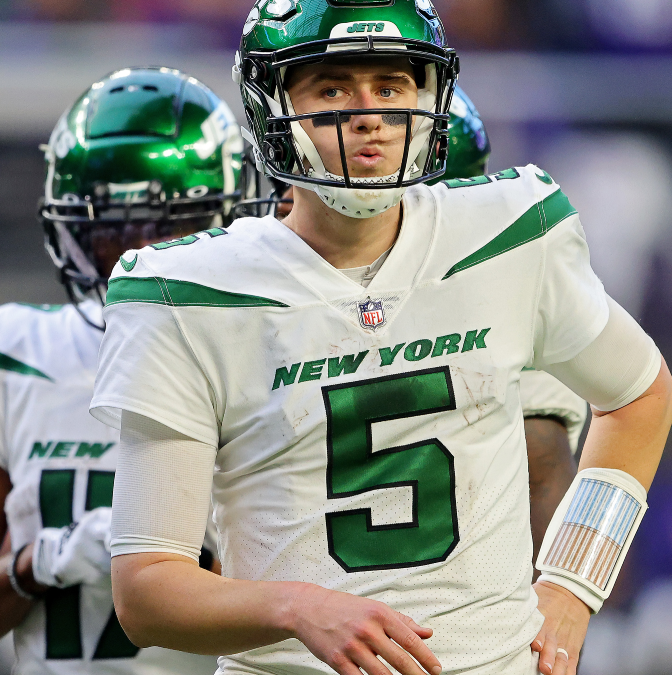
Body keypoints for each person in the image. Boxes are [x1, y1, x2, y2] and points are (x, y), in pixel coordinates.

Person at [92, 3, 672, 675]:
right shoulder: (185, 291)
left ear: (429, 98)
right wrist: (296, 607)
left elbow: (642, 397)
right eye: (334, 86)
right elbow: (145, 589)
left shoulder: (507, 234)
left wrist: (573, 584)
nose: (369, 112)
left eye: (391, 85)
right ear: (271, 104)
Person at [0, 67, 242, 673]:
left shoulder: (275, 349)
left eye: (172, 229)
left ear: (233, 219)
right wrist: (44, 561)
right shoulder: (16, 357)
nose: (141, 258)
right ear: (73, 233)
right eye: (114, 231)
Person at [235, 83, 589, 563]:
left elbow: (546, 469)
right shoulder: (266, 300)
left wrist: (567, 600)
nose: (290, 205)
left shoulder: (499, 291)